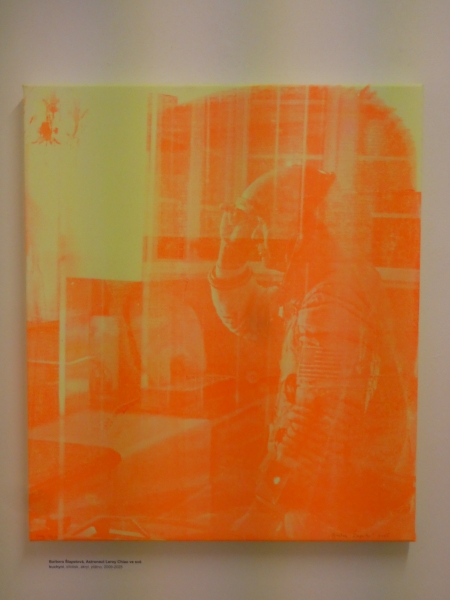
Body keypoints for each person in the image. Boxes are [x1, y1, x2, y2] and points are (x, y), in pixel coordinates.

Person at [208, 165, 415, 540]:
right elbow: (249, 318)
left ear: (293, 225)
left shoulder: (330, 297)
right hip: (334, 488)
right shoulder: (325, 277)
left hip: (331, 502)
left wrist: (263, 507)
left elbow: (318, 424)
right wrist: (229, 251)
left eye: (259, 225)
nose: (252, 238)